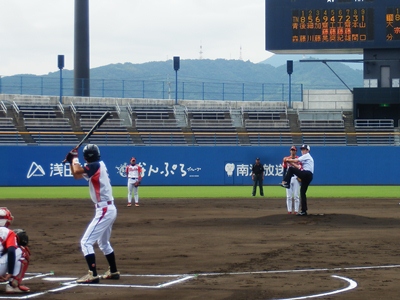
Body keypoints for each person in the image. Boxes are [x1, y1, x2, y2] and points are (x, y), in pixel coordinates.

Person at [65, 144, 120, 283]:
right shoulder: (97, 166)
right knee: (103, 242)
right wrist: (72, 161)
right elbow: (76, 175)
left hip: (105, 209)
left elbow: (77, 170)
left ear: (86, 157)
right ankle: (113, 271)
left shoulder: (95, 165)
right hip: (108, 208)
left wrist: (74, 158)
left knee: (86, 242)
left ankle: (93, 274)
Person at [0, 208, 30, 294]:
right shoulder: (8, 232)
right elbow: (11, 251)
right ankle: (13, 285)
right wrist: (10, 272)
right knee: (22, 250)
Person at [281, 144, 314, 216]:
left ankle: (286, 183)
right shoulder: (306, 158)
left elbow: (296, 160)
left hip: (306, 174)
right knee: (302, 193)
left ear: (308, 150)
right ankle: (304, 211)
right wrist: (290, 162)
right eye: (302, 149)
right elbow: (298, 167)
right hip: (308, 176)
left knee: (291, 169)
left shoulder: (307, 155)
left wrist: (287, 160)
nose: (303, 151)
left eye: (304, 149)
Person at [282, 146, 301, 214]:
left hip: (296, 178)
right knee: (289, 196)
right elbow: (284, 169)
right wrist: (284, 179)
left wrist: (300, 177)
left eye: (294, 150)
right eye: (292, 150)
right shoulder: (286, 159)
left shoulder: (298, 159)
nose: (293, 151)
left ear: (296, 151)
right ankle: (289, 211)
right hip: (289, 178)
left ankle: (296, 211)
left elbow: (301, 168)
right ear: (290, 151)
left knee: (296, 196)